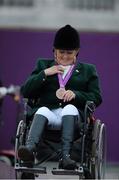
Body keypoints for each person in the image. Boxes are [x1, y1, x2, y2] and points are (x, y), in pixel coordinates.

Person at [18, 24, 102, 170]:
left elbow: (96, 97)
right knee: (42, 110)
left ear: (77, 52)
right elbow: (26, 91)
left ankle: (65, 157)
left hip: (73, 120)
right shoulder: (43, 64)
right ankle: (29, 151)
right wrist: (44, 74)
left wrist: (77, 95)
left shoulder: (88, 70)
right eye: (61, 52)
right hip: (47, 118)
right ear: (54, 51)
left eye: (69, 53)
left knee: (69, 107)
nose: (64, 56)